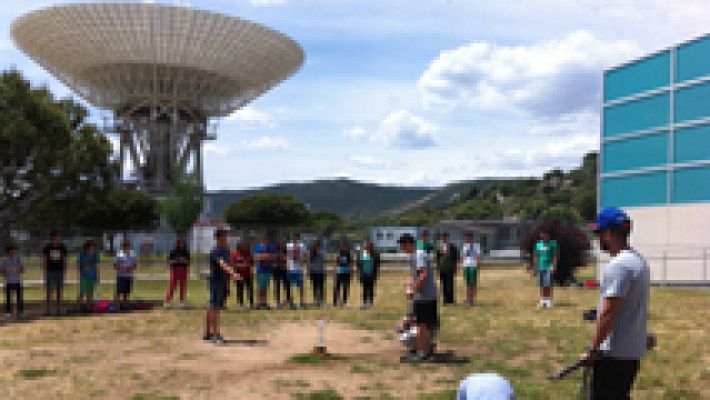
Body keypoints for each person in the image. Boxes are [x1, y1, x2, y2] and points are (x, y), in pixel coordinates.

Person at [582, 208, 650, 400]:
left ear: (609, 234)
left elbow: (609, 312)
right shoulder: (639, 261)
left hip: (614, 353)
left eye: (598, 234)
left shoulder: (619, 266)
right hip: (632, 351)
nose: (597, 239)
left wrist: (593, 349)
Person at [400, 233, 439, 361]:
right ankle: (427, 348)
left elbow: (423, 274)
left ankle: (422, 353)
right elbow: (413, 275)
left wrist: (414, 290)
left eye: (403, 246)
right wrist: (409, 285)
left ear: (409, 244)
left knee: (421, 324)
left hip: (425, 296)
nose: (402, 249)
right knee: (425, 323)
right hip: (426, 295)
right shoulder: (414, 256)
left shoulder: (418, 255)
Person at [204, 229, 242, 344]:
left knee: (213, 306)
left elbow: (230, 263)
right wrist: (234, 273)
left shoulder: (226, 250)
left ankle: (207, 333)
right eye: (223, 236)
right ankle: (215, 335)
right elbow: (223, 264)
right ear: (217, 238)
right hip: (215, 281)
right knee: (215, 308)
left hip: (222, 281)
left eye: (226, 236)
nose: (225, 238)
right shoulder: (216, 251)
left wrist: (229, 281)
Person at [43, 231, 68, 316]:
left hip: (59, 271)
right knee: (49, 291)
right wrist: (45, 270)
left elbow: (64, 259)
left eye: (58, 238)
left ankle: (58, 310)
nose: (58, 239)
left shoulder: (62, 247)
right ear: (52, 238)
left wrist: (65, 270)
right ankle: (48, 310)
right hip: (50, 271)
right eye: (56, 238)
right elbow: (45, 259)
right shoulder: (47, 247)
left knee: (59, 291)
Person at [533, 229, 559, 308]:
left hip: (549, 267)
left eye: (544, 234)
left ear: (547, 235)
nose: (542, 236)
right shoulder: (538, 245)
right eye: (541, 234)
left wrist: (554, 265)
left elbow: (555, 256)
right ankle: (542, 300)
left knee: (548, 284)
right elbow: (536, 256)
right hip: (540, 266)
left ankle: (549, 301)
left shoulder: (553, 244)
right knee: (542, 285)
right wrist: (535, 267)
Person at [164, 238, 190, 309]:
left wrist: (183, 260)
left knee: (182, 286)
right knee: (172, 285)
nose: (182, 244)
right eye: (180, 243)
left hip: (184, 269)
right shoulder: (173, 251)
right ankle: (167, 301)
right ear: (177, 243)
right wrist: (176, 260)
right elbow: (169, 261)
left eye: (183, 243)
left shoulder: (186, 252)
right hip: (175, 270)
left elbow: (188, 262)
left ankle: (181, 302)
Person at [254, 235, 277, 310]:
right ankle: (258, 303)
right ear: (262, 240)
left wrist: (264, 256)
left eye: (267, 240)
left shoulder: (271, 247)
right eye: (265, 240)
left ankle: (264, 303)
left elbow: (274, 257)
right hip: (260, 270)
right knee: (260, 287)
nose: (266, 241)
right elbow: (256, 257)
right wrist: (267, 256)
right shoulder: (259, 247)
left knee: (265, 287)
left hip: (268, 270)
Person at [1, 245, 24, 319]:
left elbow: (22, 270)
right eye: (11, 251)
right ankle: (8, 312)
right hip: (8, 281)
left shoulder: (18, 260)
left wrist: (18, 270)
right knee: (8, 298)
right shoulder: (5, 261)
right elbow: (1, 271)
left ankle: (20, 312)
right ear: (8, 253)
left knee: (19, 297)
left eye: (13, 251)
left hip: (17, 281)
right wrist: (5, 271)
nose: (12, 252)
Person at [436, 232, 459, 305]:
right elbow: (437, 258)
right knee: (443, 285)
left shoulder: (452, 247)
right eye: (443, 237)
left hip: (450, 268)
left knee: (450, 285)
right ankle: (445, 300)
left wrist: (455, 267)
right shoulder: (440, 247)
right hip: (442, 269)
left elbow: (455, 258)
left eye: (446, 237)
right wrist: (438, 267)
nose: (445, 239)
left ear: (449, 238)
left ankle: (450, 300)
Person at [113, 241, 137, 311]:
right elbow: (114, 266)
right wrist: (121, 268)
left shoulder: (132, 254)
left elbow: (135, 265)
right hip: (120, 276)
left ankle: (125, 306)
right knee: (118, 292)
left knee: (126, 293)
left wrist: (130, 268)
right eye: (125, 247)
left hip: (129, 276)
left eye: (128, 246)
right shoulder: (119, 254)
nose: (127, 248)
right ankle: (116, 307)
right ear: (122, 247)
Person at [77, 241, 100, 312]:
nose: (91, 250)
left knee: (90, 293)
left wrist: (97, 277)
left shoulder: (95, 255)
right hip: (84, 276)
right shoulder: (82, 255)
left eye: (92, 248)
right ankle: (78, 308)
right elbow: (79, 266)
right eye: (90, 248)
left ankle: (88, 307)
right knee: (82, 292)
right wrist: (82, 273)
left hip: (92, 276)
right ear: (86, 248)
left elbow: (96, 266)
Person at [231, 241, 254, 310]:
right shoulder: (235, 254)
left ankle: (251, 304)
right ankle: (240, 304)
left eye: (245, 246)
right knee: (240, 289)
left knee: (250, 289)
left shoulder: (249, 254)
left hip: (248, 274)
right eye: (242, 246)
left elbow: (251, 264)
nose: (244, 247)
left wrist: (249, 267)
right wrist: (241, 266)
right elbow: (232, 264)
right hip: (239, 275)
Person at [357, 239, 380, 309]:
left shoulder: (375, 254)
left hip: (371, 274)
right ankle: (364, 303)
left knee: (371, 289)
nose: (366, 246)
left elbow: (377, 265)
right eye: (365, 245)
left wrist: (377, 274)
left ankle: (370, 303)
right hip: (364, 274)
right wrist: (359, 274)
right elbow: (360, 264)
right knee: (364, 289)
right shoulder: (363, 254)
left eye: (368, 245)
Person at [286, 233, 307, 309]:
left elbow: (305, 255)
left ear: (298, 238)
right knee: (291, 286)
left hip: (299, 269)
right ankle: (292, 302)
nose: (295, 239)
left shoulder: (302, 246)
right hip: (291, 268)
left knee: (300, 286)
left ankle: (301, 302)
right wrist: (288, 266)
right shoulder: (288, 245)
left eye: (296, 238)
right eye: (293, 238)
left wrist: (303, 261)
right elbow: (287, 256)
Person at [460, 231, 481, 306]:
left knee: (472, 283)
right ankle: (468, 299)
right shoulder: (465, 246)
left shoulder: (476, 246)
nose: (468, 239)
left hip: (473, 266)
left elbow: (478, 256)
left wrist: (478, 265)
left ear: (472, 238)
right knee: (468, 284)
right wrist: (462, 265)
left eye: (469, 238)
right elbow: (463, 257)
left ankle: (471, 300)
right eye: (467, 238)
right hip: (466, 266)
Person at [333, 241, 352, 308]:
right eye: (342, 246)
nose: (343, 247)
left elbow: (350, 264)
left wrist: (351, 272)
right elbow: (336, 263)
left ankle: (344, 302)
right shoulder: (339, 254)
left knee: (345, 288)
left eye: (344, 246)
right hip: (339, 272)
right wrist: (334, 271)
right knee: (336, 288)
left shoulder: (348, 254)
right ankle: (335, 302)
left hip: (346, 272)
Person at [308, 240, 326, 307]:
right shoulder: (311, 253)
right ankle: (315, 300)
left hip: (320, 272)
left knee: (321, 287)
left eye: (318, 245)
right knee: (314, 287)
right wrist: (309, 271)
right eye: (316, 245)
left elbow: (323, 262)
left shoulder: (322, 252)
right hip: (313, 272)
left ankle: (321, 301)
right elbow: (309, 263)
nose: (317, 247)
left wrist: (325, 271)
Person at [272, 241, 291, 309]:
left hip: (285, 270)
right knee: (277, 286)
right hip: (276, 270)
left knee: (287, 285)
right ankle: (278, 302)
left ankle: (288, 300)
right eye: (280, 244)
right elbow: (273, 260)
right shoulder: (275, 252)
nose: (281, 245)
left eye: (282, 244)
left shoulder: (286, 252)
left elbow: (288, 260)